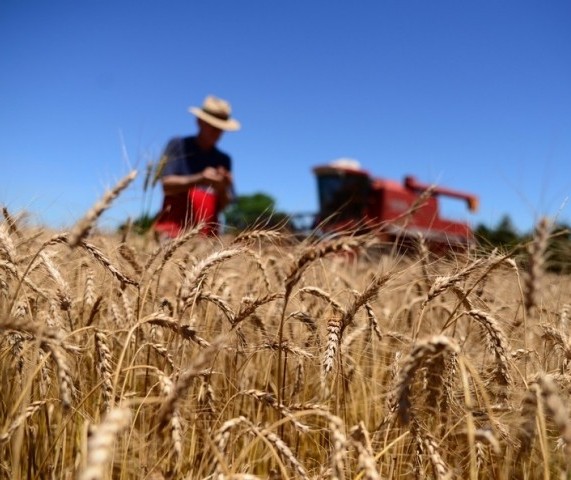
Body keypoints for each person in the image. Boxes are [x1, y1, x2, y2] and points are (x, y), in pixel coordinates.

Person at [154, 95, 241, 238]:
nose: (217, 132)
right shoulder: (179, 145)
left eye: (221, 128)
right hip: (172, 233)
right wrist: (200, 178)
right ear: (199, 121)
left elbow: (224, 205)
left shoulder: (224, 160)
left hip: (207, 238)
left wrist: (222, 188)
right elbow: (166, 185)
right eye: (212, 126)